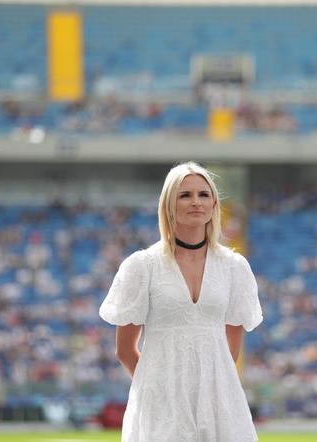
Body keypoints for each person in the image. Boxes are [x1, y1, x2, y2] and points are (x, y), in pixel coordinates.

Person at [99, 161, 263, 441]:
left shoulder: (235, 267)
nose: (196, 202)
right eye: (185, 195)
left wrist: (208, 388)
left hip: (219, 401)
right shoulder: (142, 266)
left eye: (204, 194)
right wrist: (159, 388)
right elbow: (125, 349)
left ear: (214, 205)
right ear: (168, 205)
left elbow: (230, 350)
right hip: (159, 403)